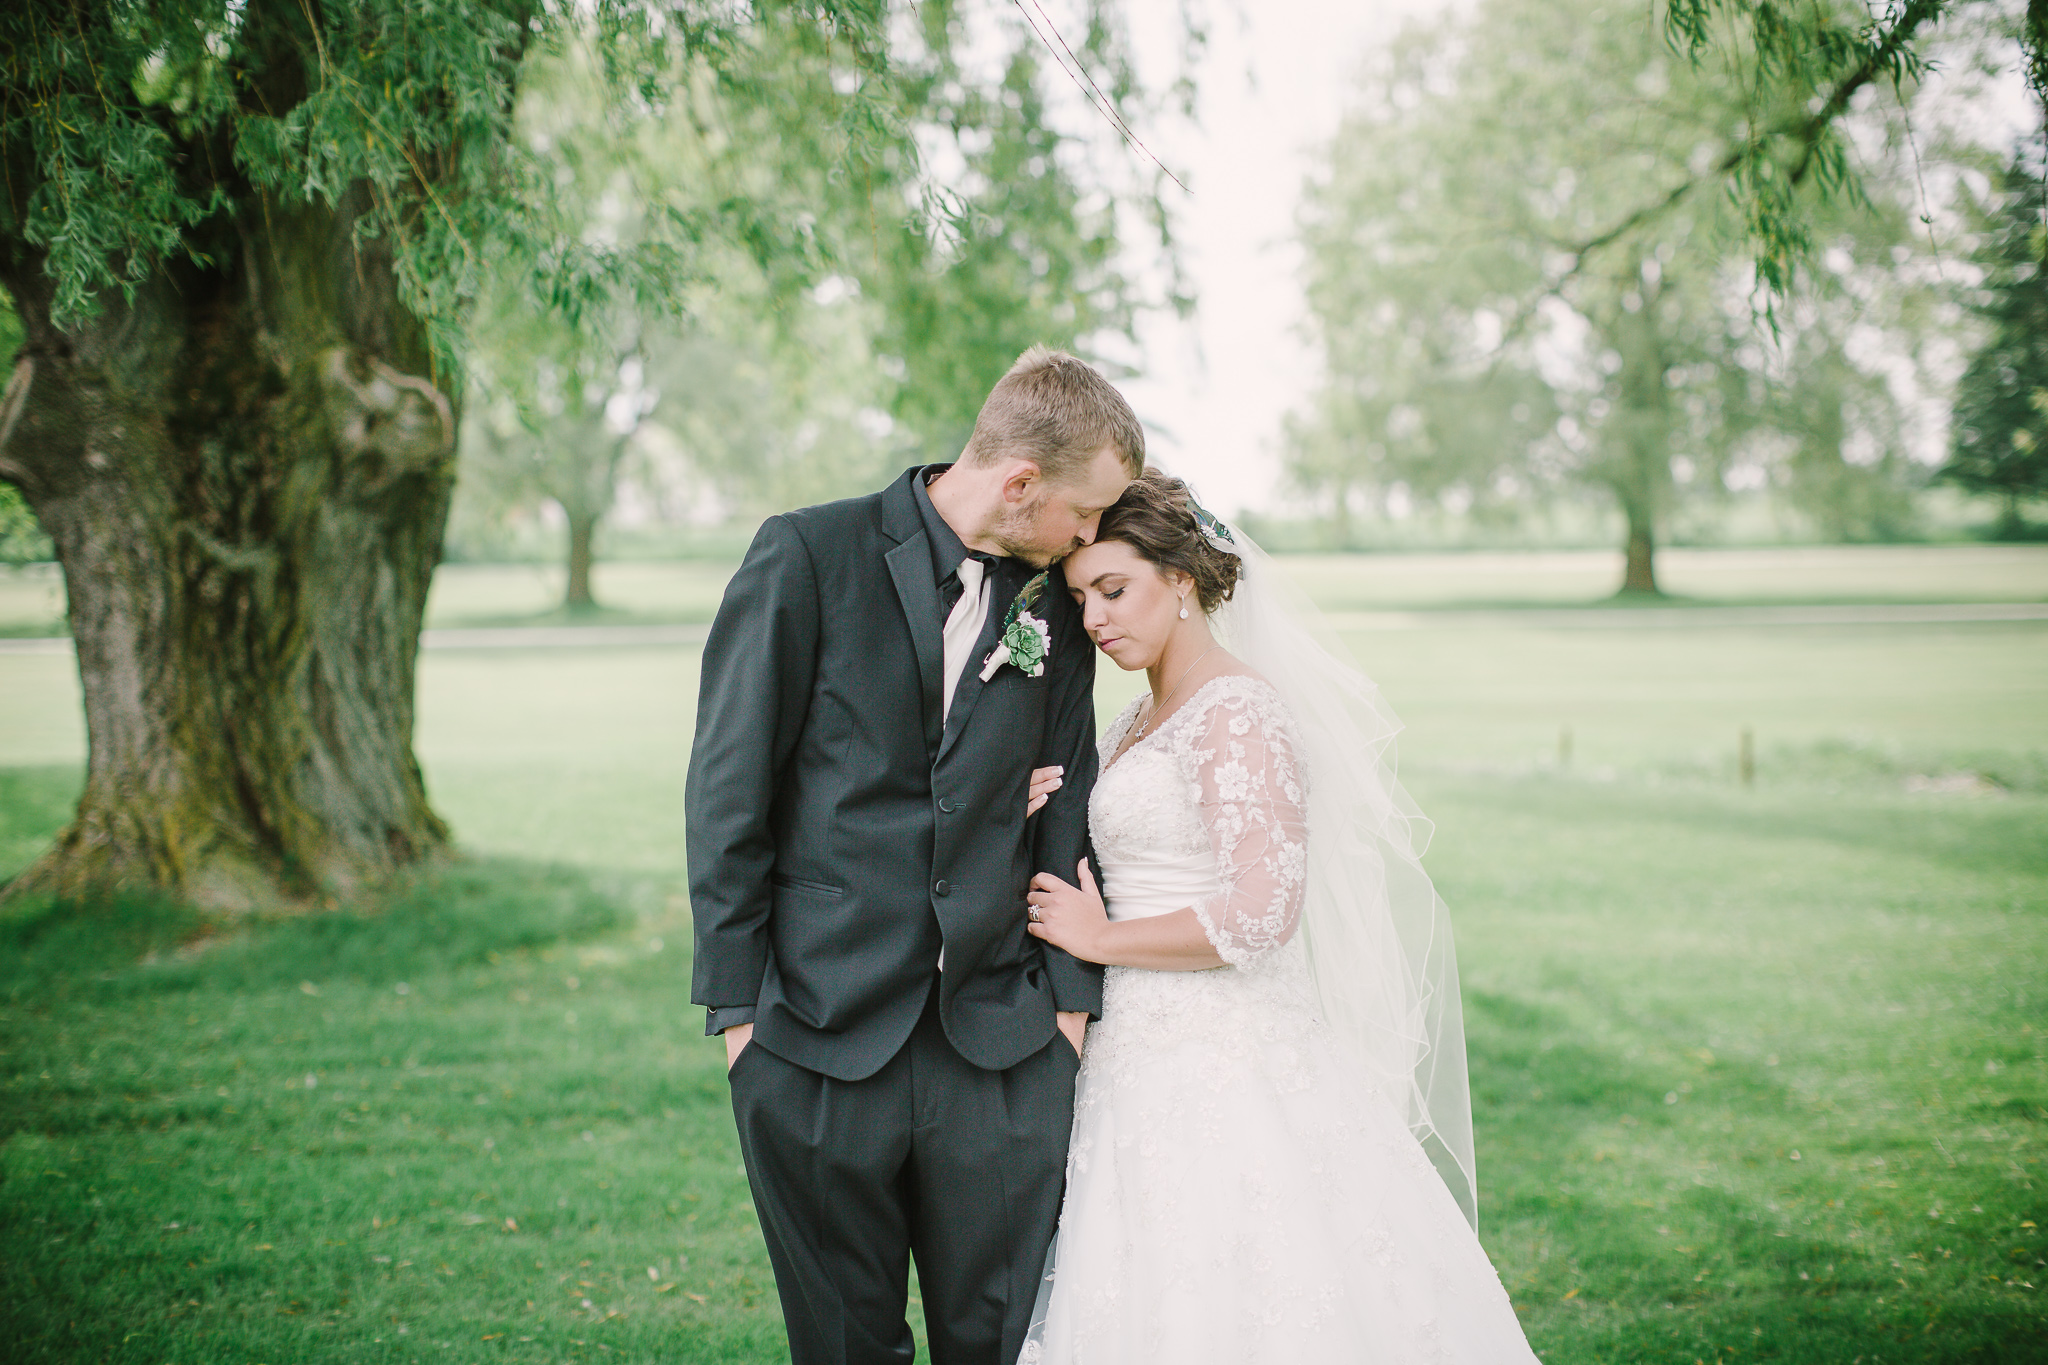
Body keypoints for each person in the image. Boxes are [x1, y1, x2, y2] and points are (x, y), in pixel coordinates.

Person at [1017, 471, 1541, 1364]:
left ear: (1180, 581)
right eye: (1081, 598)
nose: (1096, 618)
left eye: (1114, 589)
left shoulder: (1239, 711)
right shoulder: (1140, 716)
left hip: (1227, 1048)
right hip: (1137, 1051)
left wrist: (1099, 938)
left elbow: (1261, 912)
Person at [685, 346, 1143, 1365]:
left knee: (996, 1345)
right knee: (844, 1347)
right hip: (809, 1037)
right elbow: (728, 794)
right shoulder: (804, 556)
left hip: (1001, 1051)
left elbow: (1066, 798)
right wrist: (738, 1019)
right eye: (1085, 512)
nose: (1091, 537)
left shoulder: (1052, 606)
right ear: (1020, 483)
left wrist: (1066, 1012)